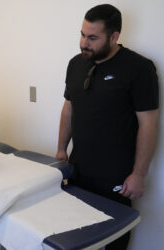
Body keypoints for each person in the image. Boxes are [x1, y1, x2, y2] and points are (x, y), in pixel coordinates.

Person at [56, 4, 158, 250]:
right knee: (75, 231)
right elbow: (68, 108)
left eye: (92, 37)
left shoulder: (139, 68)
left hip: (117, 175)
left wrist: (139, 174)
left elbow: (149, 124)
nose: (84, 43)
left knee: (114, 238)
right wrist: (61, 150)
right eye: (82, 34)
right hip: (78, 168)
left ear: (114, 37)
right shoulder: (75, 64)